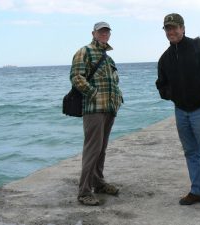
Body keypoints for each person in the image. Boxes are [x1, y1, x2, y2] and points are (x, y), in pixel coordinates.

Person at [156, 13, 200, 215]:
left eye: (174, 27)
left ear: (183, 28)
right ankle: (198, 191)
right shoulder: (165, 58)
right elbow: (161, 85)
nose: (171, 32)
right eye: (167, 29)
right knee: (190, 153)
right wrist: (172, 94)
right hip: (181, 111)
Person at [69, 21, 123, 206]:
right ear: (93, 33)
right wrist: (93, 93)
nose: (104, 34)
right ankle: (84, 192)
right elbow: (76, 76)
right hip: (94, 108)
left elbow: (113, 82)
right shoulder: (85, 51)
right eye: (101, 31)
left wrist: (118, 98)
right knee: (92, 149)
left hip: (109, 108)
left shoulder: (108, 58)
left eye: (107, 31)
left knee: (101, 149)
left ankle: (98, 183)